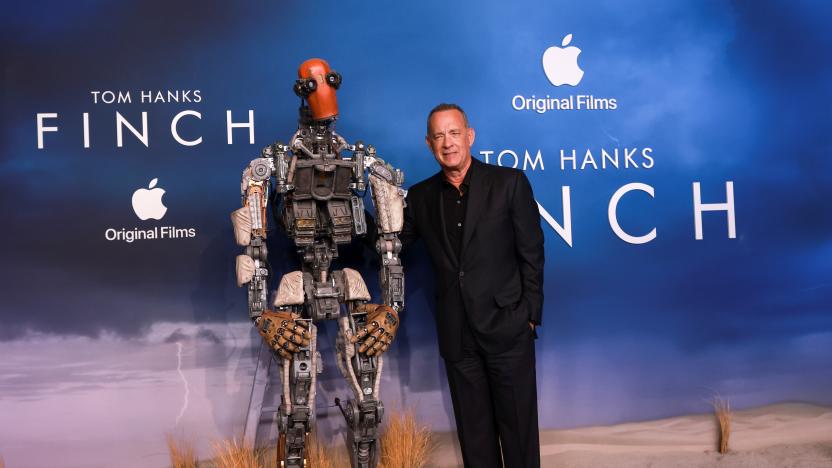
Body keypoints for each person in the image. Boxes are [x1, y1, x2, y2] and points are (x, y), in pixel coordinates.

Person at [400, 103, 544, 468]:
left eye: (454, 133)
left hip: (508, 328)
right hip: (458, 336)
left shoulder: (509, 183)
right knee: (475, 441)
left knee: (519, 437)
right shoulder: (419, 197)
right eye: (439, 136)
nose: (448, 143)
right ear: (429, 143)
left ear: (469, 136)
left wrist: (529, 316)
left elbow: (532, 254)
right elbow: (390, 244)